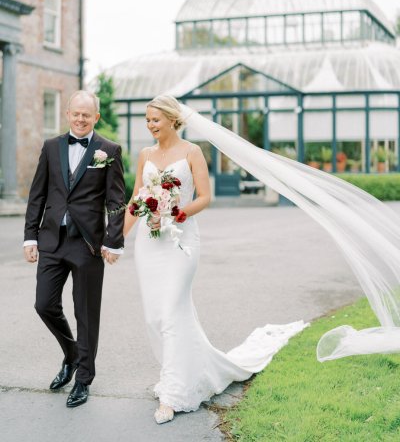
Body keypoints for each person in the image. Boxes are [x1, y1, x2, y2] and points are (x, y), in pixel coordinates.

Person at [124, 95, 306, 424]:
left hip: (181, 243)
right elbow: (137, 197)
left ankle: (174, 393)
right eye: (147, 120)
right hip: (149, 244)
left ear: (171, 120)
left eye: (155, 120)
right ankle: (177, 372)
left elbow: (206, 197)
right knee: (154, 316)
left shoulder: (192, 152)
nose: (150, 125)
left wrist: (174, 212)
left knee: (172, 311)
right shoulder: (145, 154)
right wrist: (116, 239)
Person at [24, 90, 125, 408]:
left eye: (87, 114)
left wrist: (113, 240)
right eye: (76, 113)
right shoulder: (51, 147)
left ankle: (83, 379)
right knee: (44, 304)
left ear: (96, 117)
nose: (81, 119)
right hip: (51, 240)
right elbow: (37, 194)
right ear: (67, 114)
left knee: (86, 314)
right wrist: (30, 237)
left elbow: (116, 200)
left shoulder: (108, 150)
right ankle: (71, 354)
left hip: (88, 244)